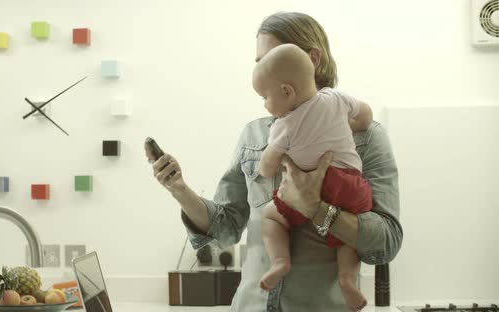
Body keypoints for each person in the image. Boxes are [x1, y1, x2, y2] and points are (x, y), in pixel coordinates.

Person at [147, 12, 402, 312]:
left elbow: (386, 241)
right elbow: (226, 228)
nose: (260, 72)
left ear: (312, 59)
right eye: (257, 63)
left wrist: (316, 209)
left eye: (268, 60)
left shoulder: (366, 137)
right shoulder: (254, 133)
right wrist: (179, 189)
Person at [252, 43, 373, 311]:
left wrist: (271, 157)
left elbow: (267, 168)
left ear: (286, 91)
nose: (264, 104)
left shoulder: (285, 125)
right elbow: (365, 116)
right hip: (351, 182)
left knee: (271, 215)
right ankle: (347, 279)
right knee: (348, 235)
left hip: (311, 188)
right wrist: (349, 127)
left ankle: (280, 261)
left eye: (264, 97)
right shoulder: (336, 99)